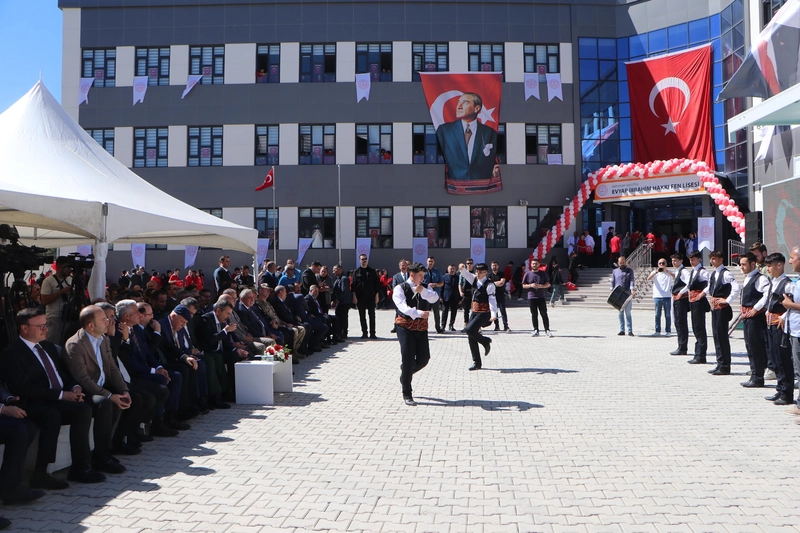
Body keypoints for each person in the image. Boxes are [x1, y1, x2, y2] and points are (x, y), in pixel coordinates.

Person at [1, 308, 108, 484]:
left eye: (46, 325)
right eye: (40, 326)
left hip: (60, 396)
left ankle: (93, 460)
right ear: (24, 328)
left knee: (100, 403)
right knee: (64, 413)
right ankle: (45, 472)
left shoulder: (48, 347)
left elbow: (63, 375)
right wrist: (61, 395)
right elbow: (24, 389)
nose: (46, 329)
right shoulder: (12, 353)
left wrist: (74, 388)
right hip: (35, 401)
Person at [63, 306, 134, 459]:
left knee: (131, 397)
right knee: (105, 404)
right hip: (85, 390)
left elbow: (112, 368)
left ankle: (111, 447)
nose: (108, 321)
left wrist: (123, 390)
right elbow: (82, 379)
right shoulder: (76, 345)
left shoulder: (102, 339)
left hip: (101, 385)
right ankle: (101, 455)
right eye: (103, 319)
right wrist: (109, 396)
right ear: (91, 325)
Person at [392, 262, 439, 406]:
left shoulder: (425, 287)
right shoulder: (400, 288)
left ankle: (405, 374)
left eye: (423, 275)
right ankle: (407, 392)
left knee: (424, 358)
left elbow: (435, 298)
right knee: (408, 358)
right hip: (405, 327)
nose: (422, 278)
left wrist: (422, 291)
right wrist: (418, 313)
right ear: (412, 275)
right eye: (420, 275)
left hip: (421, 328)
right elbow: (402, 307)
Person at [434, 92, 498, 182]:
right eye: (458, 102)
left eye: (465, 103)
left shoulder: (489, 132)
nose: (459, 106)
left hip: (481, 184)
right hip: (454, 182)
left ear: (477, 108)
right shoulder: (444, 130)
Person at [763, 252, 795, 405]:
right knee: (774, 358)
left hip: (780, 324)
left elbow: (791, 305)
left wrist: (783, 316)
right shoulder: (773, 282)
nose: (767, 268)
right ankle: (780, 389)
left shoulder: (788, 284)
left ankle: (787, 393)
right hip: (770, 323)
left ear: (779, 265)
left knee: (783, 359)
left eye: (770, 265)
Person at [702, 250, 740, 376]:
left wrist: (727, 300)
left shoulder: (726, 274)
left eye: (714, 259)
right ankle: (720, 362)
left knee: (722, 336)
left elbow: (736, 288)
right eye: (711, 259)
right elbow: (709, 286)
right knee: (716, 335)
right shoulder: (714, 274)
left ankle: (725, 365)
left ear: (721, 259)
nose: (712, 261)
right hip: (714, 308)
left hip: (722, 309)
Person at [738, 252, 770, 388]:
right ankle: (754, 373)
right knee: (749, 346)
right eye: (741, 265)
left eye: (744, 264)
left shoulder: (760, 278)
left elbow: (767, 294)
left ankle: (758, 377)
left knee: (756, 346)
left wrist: (756, 308)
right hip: (747, 317)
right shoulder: (747, 278)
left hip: (756, 318)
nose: (742, 267)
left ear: (753, 264)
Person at [459, 263, 497, 370]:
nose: (478, 274)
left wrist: (494, 314)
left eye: (481, 272)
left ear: (486, 272)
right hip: (475, 312)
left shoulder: (489, 285)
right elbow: (466, 274)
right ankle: (477, 362)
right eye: (477, 271)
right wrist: (462, 268)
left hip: (484, 312)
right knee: (471, 336)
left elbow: (492, 300)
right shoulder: (475, 280)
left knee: (469, 329)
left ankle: (485, 341)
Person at [778, 247, 800, 422]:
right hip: (795, 329)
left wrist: (789, 304)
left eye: (793, 258)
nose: (790, 261)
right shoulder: (797, 280)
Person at [40, 256, 74, 344]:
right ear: (59, 266)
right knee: (53, 343)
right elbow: (44, 300)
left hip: (68, 316)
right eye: (67, 267)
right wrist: (61, 292)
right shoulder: (48, 281)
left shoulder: (70, 280)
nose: (69, 269)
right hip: (54, 317)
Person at [686, 251, 710, 365]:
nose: (691, 262)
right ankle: (698, 353)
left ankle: (701, 355)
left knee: (699, 327)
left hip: (699, 302)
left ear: (699, 259)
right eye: (690, 259)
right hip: (693, 301)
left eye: (693, 259)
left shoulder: (702, 272)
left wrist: (703, 294)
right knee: (695, 327)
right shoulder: (693, 271)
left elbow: (711, 283)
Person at [352, 254, 380, 339]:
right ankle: (364, 333)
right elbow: (353, 285)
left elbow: (376, 285)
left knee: (372, 315)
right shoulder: (356, 272)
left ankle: (372, 333)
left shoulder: (372, 271)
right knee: (362, 315)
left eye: (365, 259)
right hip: (360, 297)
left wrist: (377, 295)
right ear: (359, 260)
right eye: (362, 259)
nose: (364, 260)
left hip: (371, 296)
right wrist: (354, 296)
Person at [522, 259, 552, 337]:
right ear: (531, 265)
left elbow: (548, 284)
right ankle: (536, 330)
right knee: (534, 314)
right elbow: (523, 285)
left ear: (539, 265)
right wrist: (530, 285)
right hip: (531, 297)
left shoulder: (543, 274)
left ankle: (547, 330)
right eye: (533, 264)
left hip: (541, 297)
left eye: (536, 264)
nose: (534, 265)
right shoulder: (527, 274)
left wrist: (541, 286)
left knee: (544, 314)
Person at [669, 253, 691, 356]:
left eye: (675, 261)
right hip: (676, 299)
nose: (673, 263)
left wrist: (681, 292)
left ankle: (683, 347)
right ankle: (680, 346)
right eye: (673, 261)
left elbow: (689, 283)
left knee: (681, 323)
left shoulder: (684, 271)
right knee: (677, 322)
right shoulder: (678, 271)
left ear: (681, 261)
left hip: (681, 300)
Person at [647, 258, 673, 336]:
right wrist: (656, 271)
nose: (661, 265)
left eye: (663, 263)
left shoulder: (669, 273)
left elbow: (675, 276)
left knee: (667, 315)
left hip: (667, 296)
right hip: (657, 296)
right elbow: (648, 278)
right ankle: (657, 330)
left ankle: (668, 331)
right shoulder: (655, 273)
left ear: (666, 264)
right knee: (657, 315)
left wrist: (666, 270)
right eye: (660, 263)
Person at [611, 256, 635, 336]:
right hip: (618, 294)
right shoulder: (615, 271)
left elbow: (632, 280)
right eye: (620, 263)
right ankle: (622, 330)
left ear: (625, 262)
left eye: (623, 262)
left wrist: (632, 289)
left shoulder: (630, 271)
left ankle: (630, 330)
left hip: (627, 294)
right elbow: (613, 281)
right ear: (618, 263)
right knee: (620, 313)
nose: (622, 264)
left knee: (628, 313)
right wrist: (611, 290)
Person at [423, 257, 445, 334]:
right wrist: (427, 285)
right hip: (426, 295)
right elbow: (420, 282)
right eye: (429, 261)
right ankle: (424, 328)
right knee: (425, 312)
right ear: (426, 262)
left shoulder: (437, 272)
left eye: (432, 261)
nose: (430, 263)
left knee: (436, 313)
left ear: (434, 262)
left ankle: (438, 328)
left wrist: (435, 284)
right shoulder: (423, 271)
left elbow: (442, 283)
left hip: (435, 296)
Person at [331, 265, 353, 340]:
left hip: (344, 302)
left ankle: (344, 332)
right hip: (339, 302)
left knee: (343, 317)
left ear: (339, 269)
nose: (333, 272)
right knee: (338, 317)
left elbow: (344, 290)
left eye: (334, 270)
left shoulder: (344, 279)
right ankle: (339, 332)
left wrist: (338, 300)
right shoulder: (337, 279)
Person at [389, 260, 410, 334]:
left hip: (409, 297)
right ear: (399, 267)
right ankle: (396, 326)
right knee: (398, 312)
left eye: (404, 265)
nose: (403, 267)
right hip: (400, 298)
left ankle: (409, 326)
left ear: (407, 266)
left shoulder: (411, 275)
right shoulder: (396, 276)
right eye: (402, 265)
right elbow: (394, 287)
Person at [488, 261, 508, 331]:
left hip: (501, 294)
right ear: (491, 266)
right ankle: (497, 326)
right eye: (493, 265)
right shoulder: (489, 275)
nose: (494, 267)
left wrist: (493, 283)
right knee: (495, 311)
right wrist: (496, 283)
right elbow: (489, 285)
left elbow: (502, 282)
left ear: (498, 266)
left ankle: (506, 326)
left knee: (503, 310)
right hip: (493, 296)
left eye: (495, 265)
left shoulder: (501, 274)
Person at [440, 265, 461, 332]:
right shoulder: (444, 277)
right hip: (446, 297)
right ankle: (443, 326)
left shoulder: (458, 277)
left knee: (454, 312)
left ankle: (451, 325)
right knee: (444, 312)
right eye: (450, 269)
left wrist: (460, 298)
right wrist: (440, 296)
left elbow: (460, 288)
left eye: (453, 269)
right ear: (448, 269)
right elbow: (441, 287)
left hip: (455, 297)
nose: (452, 270)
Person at [459, 259, 475, 331]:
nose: (469, 264)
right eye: (468, 263)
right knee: (466, 310)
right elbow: (460, 283)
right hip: (466, 293)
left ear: (473, 264)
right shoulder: (462, 273)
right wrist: (460, 292)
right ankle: (466, 325)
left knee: (475, 310)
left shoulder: (476, 273)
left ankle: (476, 326)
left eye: (470, 263)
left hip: (474, 293)